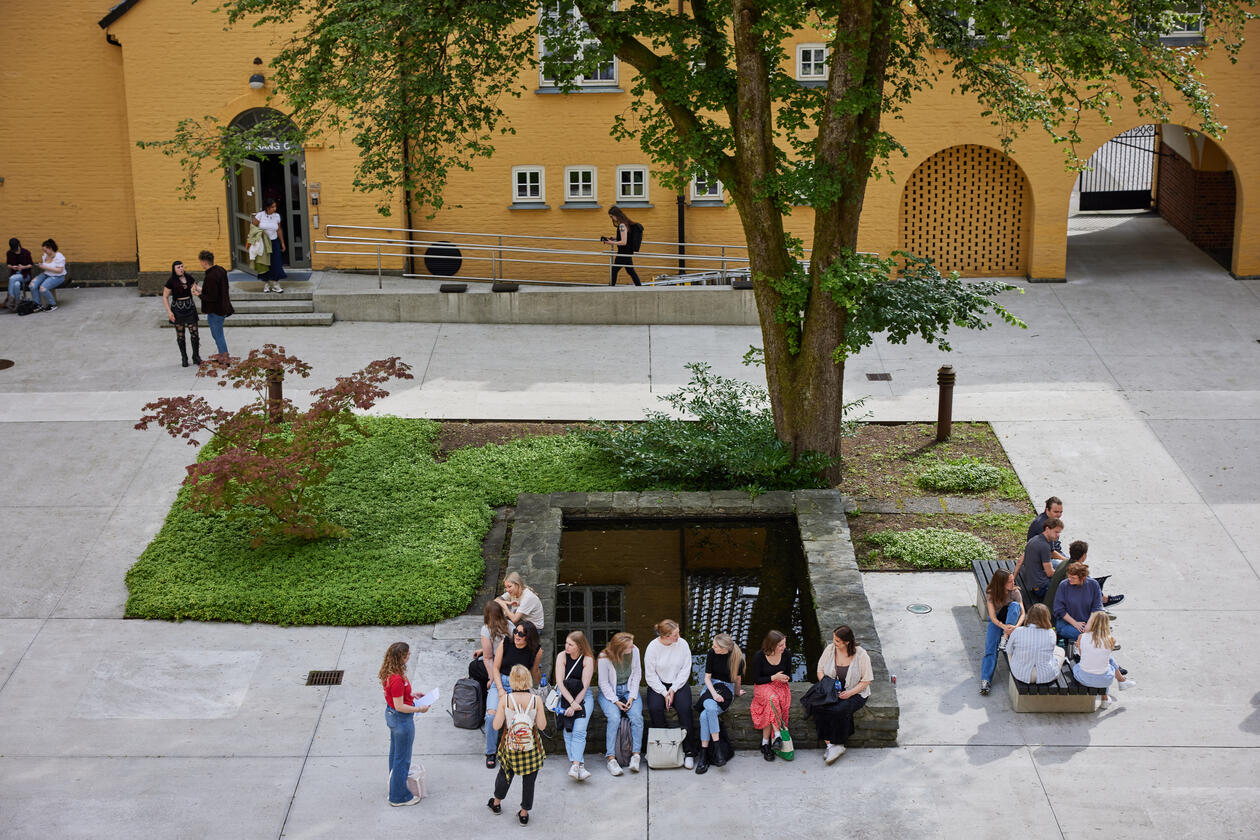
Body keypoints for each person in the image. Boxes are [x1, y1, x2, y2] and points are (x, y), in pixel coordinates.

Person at [488, 664, 547, 825]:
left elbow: (496, 726)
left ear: (512, 681)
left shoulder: (505, 699)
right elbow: (542, 726)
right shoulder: (536, 700)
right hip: (531, 747)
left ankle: (496, 803)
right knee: (529, 780)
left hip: (511, 746)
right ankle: (524, 813)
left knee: (505, 774)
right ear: (528, 679)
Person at [484, 619, 543, 769]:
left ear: (528, 637)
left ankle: (520, 746)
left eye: (521, 634)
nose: (517, 635)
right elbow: (495, 668)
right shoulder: (506, 643)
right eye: (516, 631)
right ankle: (491, 752)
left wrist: (542, 687)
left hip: (520, 685)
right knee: (491, 715)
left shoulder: (536, 650)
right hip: (501, 682)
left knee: (523, 715)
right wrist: (500, 689)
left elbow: (534, 671)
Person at [379, 641, 430, 807]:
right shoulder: (397, 679)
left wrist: (412, 695)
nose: (409, 656)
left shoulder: (391, 672)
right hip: (402, 720)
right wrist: (419, 709)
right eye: (407, 654)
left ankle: (394, 784)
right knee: (403, 759)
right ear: (400, 657)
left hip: (393, 717)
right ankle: (398, 796)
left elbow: (397, 699)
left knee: (395, 754)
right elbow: (400, 706)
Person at [814, 625, 873, 765]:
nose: (834, 643)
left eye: (838, 641)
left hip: (855, 692)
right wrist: (827, 686)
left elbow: (866, 680)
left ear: (847, 642)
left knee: (838, 710)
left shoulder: (861, 655)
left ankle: (839, 743)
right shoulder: (829, 649)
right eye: (834, 639)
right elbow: (820, 670)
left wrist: (849, 693)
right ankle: (830, 745)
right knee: (818, 707)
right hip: (832, 690)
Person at [643, 618, 697, 769]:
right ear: (665, 636)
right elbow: (650, 675)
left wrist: (673, 689)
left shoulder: (683, 644)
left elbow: (686, 669)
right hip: (658, 684)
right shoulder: (653, 647)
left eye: (678, 632)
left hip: (678, 683)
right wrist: (663, 691)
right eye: (675, 634)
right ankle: (663, 750)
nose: (678, 637)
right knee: (655, 709)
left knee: (685, 709)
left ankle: (689, 752)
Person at [694, 632, 743, 774]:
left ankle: (703, 755)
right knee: (709, 707)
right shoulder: (712, 653)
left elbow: (737, 680)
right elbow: (707, 679)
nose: (712, 647)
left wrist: (738, 692)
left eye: (715, 646)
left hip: (727, 688)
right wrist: (714, 694)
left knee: (705, 716)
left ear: (724, 649)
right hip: (711, 687)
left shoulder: (737, 658)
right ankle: (717, 748)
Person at [596, 631, 644, 776]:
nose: (633, 647)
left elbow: (637, 675)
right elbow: (603, 683)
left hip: (628, 690)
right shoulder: (604, 658)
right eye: (629, 646)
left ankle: (636, 756)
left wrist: (632, 697)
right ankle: (611, 759)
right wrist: (616, 701)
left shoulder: (634, 651)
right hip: (609, 692)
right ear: (620, 648)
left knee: (636, 717)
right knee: (614, 718)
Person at [554, 630, 596, 781]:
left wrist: (575, 704)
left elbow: (584, 687)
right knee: (568, 729)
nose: (566, 646)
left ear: (579, 646)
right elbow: (559, 682)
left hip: (583, 696)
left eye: (570, 644)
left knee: (579, 729)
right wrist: (570, 703)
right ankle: (579, 765)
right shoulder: (561, 656)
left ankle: (575, 765)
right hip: (565, 694)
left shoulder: (588, 659)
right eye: (566, 643)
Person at [1073, 611, 1134, 708]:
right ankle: (1106, 697)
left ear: (1091, 623)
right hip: (1105, 680)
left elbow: (1082, 655)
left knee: (1076, 666)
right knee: (1107, 663)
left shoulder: (1082, 637)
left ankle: (1121, 682)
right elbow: (1103, 656)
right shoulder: (1111, 639)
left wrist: (1079, 645)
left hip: (1084, 678)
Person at [980, 568, 1026, 696]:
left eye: (1013, 580)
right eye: (1010, 581)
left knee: (1015, 606)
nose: (1013, 583)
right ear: (1001, 584)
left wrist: (1015, 627)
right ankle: (985, 680)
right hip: (998, 622)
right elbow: (993, 617)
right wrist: (1002, 626)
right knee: (990, 649)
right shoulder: (991, 593)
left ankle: (1005, 639)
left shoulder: (1015, 592)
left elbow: (1023, 613)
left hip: (1012, 624)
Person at [1044, 539, 1124, 612]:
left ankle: (1103, 599)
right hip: (1057, 611)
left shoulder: (1062, 563)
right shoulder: (1076, 572)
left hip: (1049, 605)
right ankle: (1104, 600)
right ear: (1084, 555)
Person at [749, 629, 792, 762]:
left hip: (780, 686)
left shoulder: (786, 654)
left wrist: (785, 678)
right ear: (771, 645)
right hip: (762, 686)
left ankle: (765, 744)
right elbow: (756, 679)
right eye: (780, 645)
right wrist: (774, 677)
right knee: (772, 699)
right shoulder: (759, 656)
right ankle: (778, 735)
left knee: (771, 703)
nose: (784, 647)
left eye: (784, 644)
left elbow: (789, 674)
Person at [1006, 604, 1065, 684]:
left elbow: (1009, 650)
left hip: (1020, 674)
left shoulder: (1017, 631)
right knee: (1060, 651)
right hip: (1046, 675)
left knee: (1010, 652)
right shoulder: (1051, 633)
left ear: (1029, 615)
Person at [163, 260, 202, 367]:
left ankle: (196, 356)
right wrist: (169, 312)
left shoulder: (189, 278)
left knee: (194, 333)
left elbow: (196, 288)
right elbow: (165, 297)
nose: (181, 269)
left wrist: (206, 290)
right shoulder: (171, 281)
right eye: (178, 267)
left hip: (190, 307)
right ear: (174, 269)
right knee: (180, 335)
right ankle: (184, 357)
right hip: (177, 309)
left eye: (182, 266)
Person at [1013, 516, 1063, 601]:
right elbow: (1050, 573)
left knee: (1058, 563)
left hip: (1032, 583)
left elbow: (1020, 561)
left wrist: (1013, 579)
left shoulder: (1033, 539)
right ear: (1047, 529)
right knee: (1068, 583)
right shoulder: (1045, 546)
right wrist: (1063, 574)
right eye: (1056, 532)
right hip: (1042, 588)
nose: (1058, 536)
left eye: (1059, 533)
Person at [1052, 561, 1103, 644]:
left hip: (1088, 622)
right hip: (1067, 623)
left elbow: (1097, 607)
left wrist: (1089, 625)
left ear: (1082, 577)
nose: (1069, 579)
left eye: (1073, 578)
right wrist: (1075, 623)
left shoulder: (1093, 585)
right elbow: (1059, 609)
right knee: (1090, 637)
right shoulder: (1064, 585)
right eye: (1069, 576)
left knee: (1093, 634)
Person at [197, 250, 232, 357]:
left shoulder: (210, 277)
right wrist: (200, 289)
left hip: (216, 310)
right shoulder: (221, 270)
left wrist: (197, 294)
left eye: (200, 262)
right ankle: (223, 355)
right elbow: (214, 290)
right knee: (218, 334)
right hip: (224, 307)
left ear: (204, 262)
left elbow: (211, 297)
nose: (200, 264)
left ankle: (224, 357)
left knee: (217, 335)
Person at [251, 199, 286, 293]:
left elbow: (279, 229)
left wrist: (282, 242)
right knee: (264, 263)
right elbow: (253, 228)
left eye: (275, 206)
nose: (275, 208)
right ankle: (266, 284)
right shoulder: (260, 215)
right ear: (267, 207)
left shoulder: (277, 216)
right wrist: (252, 241)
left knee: (276, 262)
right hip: (263, 243)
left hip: (274, 242)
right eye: (273, 207)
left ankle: (275, 284)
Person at [602, 206, 641, 286]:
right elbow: (625, 237)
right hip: (627, 252)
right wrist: (615, 239)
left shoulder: (622, 226)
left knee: (614, 270)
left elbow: (623, 242)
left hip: (623, 253)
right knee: (630, 271)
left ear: (615, 215)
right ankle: (639, 287)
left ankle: (611, 287)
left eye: (611, 216)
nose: (612, 219)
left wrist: (610, 242)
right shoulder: (626, 223)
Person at [29, 239, 67, 312]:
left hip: (58, 276)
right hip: (47, 274)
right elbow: (47, 267)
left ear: (50, 248)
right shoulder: (45, 256)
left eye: (45, 250)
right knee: (32, 285)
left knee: (43, 288)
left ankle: (52, 305)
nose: (44, 252)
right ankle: (37, 304)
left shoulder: (59, 256)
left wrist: (45, 267)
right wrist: (41, 265)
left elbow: (60, 270)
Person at [5, 237, 33, 310]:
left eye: (16, 249)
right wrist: (12, 267)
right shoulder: (9, 253)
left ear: (19, 244)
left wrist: (23, 267)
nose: (15, 251)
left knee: (12, 278)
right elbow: (8, 264)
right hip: (15, 273)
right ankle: (17, 303)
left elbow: (31, 264)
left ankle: (11, 298)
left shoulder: (26, 252)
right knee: (16, 284)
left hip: (25, 275)